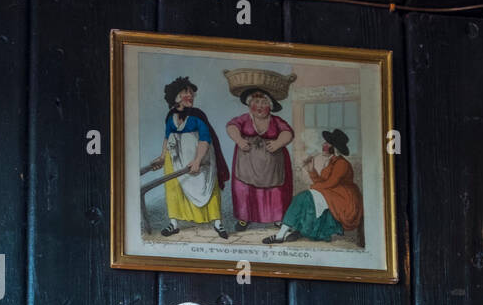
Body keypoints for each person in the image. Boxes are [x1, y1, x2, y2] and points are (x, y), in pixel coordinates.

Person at [150, 77, 230, 239]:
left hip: (199, 157)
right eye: (186, 92)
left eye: (192, 93)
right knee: (174, 190)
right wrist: (161, 156)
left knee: (209, 188)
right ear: (176, 96)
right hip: (175, 159)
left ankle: (217, 223)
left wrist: (197, 160)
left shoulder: (197, 115)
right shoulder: (170, 116)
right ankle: (173, 223)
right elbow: (167, 137)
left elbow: (205, 139)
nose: (191, 96)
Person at [263, 129, 362, 245]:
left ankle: (280, 235)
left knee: (303, 197)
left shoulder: (342, 164)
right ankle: (298, 230)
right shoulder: (331, 162)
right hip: (332, 193)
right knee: (306, 198)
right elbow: (323, 182)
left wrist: (313, 187)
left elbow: (331, 184)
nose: (323, 145)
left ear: (334, 148)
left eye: (327, 143)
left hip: (344, 198)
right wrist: (311, 170)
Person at [225, 88, 294, 230]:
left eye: (264, 102)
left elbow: (288, 133)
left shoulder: (276, 121)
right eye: (256, 102)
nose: (260, 106)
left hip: (272, 163)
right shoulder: (245, 119)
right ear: (250, 104)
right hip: (246, 162)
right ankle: (244, 218)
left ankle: (277, 218)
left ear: (270, 106)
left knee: (275, 190)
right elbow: (231, 126)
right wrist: (239, 140)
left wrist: (277, 143)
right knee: (244, 189)